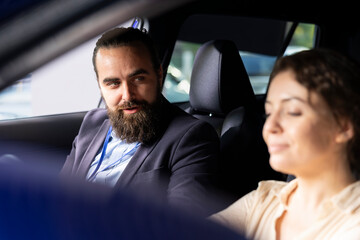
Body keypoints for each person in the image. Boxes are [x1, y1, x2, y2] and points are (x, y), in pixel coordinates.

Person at [60, 27, 220, 217]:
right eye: (113, 83)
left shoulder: (192, 137)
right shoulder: (92, 122)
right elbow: (60, 195)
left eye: (138, 79)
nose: (127, 95)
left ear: (159, 76)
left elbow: (181, 226)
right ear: (100, 86)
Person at [211, 49, 360, 239]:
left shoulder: (354, 222)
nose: (270, 127)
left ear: (343, 127)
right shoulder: (262, 200)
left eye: (292, 112)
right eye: (269, 113)